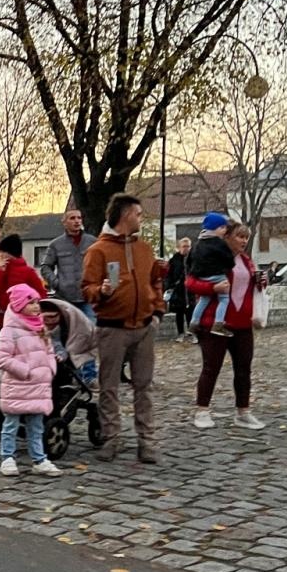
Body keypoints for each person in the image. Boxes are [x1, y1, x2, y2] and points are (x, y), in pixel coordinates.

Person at [81, 194, 164, 462]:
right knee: (109, 386)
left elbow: (155, 282)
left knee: (144, 387)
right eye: (138, 214)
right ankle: (111, 438)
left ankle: (147, 441)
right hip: (112, 328)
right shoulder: (98, 250)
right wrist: (101, 291)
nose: (141, 219)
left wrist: (158, 312)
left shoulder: (144, 249)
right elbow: (86, 288)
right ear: (126, 215)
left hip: (144, 326)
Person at [185, 221, 267, 431]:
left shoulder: (246, 261)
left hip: (242, 323)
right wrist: (212, 288)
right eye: (240, 236)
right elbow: (191, 282)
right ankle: (202, 410)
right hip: (215, 322)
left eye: (246, 237)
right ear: (227, 236)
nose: (244, 241)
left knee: (244, 369)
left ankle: (243, 412)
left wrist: (261, 281)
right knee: (211, 367)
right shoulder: (213, 257)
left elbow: (247, 288)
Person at [0, 284, 62, 477]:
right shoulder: (10, 331)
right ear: (19, 305)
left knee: (36, 426)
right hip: (18, 386)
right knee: (11, 425)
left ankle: (39, 459)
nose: (36, 306)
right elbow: (1, 358)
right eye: (31, 302)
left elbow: (49, 350)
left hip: (38, 386)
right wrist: (24, 371)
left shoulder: (40, 327)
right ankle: (7, 457)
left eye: (37, 302)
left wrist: (49, 368)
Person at [187, 212, 235, 337]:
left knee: (203, 300)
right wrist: (228, 266)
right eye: (223, 227)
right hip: (217, 274)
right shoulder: (219, 243)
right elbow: (228, 258)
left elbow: (190, 261)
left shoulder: (198, 243)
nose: (224, 230)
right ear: (216, 228)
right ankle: (218, 324)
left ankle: (193, 323)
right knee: (224, 299)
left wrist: (197, 273)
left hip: (202, 276)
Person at [165, 238, 193, 341]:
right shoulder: (174, 260)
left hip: (190, 289)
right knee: (179, 313)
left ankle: (192, 333)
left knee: (191, 312)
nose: (186, 249)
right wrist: (170, 286)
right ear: (179, 248)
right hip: (178, 290)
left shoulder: (193, 259)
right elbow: (169, 275)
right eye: (184, 246)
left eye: (188, 246)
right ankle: (180, 333)